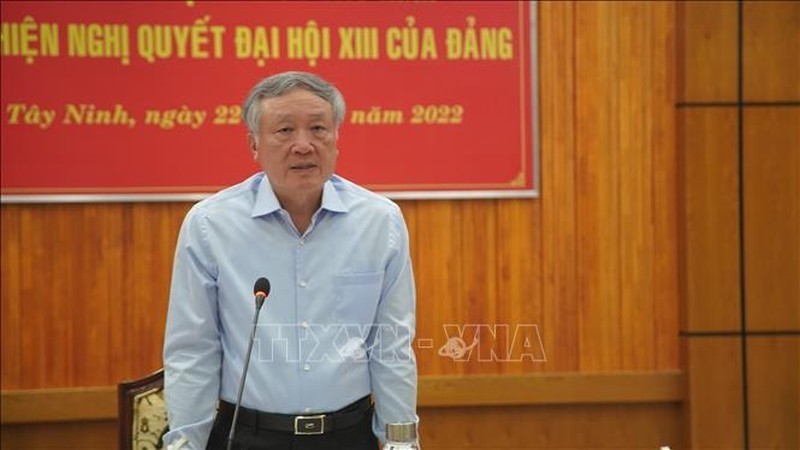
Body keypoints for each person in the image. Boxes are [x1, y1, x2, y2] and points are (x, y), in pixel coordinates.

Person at [162, 71, 418, 449]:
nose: (304, 145)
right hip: (247, 436)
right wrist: (184, 444)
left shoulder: (380, 222)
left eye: (318, 129)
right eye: (284, 131)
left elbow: (391, 344)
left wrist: (401, 443)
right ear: (254, 144)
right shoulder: (210, 225)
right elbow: (193, 349)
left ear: (336, 138)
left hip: (348, 436)